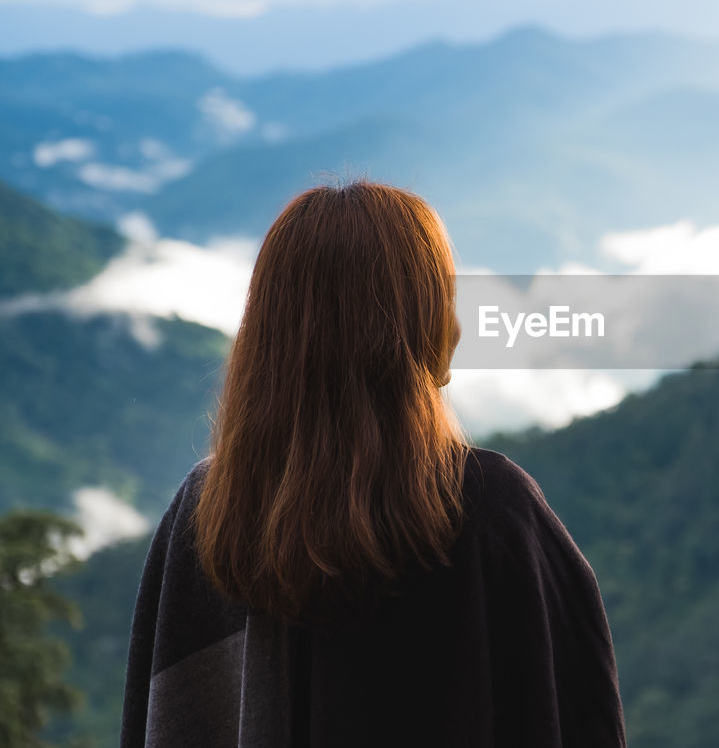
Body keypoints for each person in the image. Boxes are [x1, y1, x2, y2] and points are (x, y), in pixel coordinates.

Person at [120, 179, 627, 747]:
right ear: (405, 333)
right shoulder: (493, 512)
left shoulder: (208, 510)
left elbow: (164, 718)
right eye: (443, 300)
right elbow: (576, 715)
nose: (457, 327)